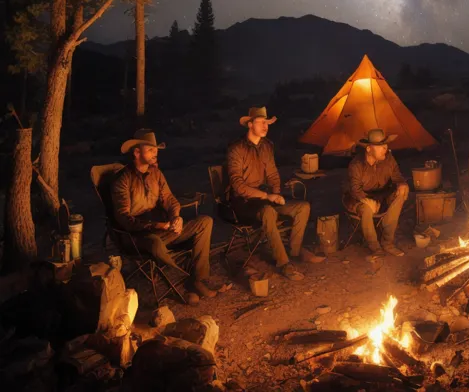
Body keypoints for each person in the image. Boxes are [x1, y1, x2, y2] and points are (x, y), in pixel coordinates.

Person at [111, 129, 217, 299]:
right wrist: (156, 225)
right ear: (137, 152)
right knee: (154, 243)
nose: (156, 153)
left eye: (156, 149)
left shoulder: (156, 174)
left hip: (164, 230)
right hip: (139, 237)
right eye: (150, 149)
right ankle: (182, 274)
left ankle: (198, 279)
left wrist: (176, 217)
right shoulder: (123, 180)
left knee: (205, 222)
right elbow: (124, 219)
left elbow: (170, 199)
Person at [227, 106, 322, 281]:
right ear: (250, 124)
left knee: (302, 207)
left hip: (266, 199)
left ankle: (294, 252)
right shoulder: (237, 149)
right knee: (269, 212)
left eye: (267, 123)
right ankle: (284, 263)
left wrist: (276, 193)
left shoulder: (266, 147)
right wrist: (267, 197)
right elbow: (238, 186)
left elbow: (272, 174)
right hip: (245, 203)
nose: (265, 126)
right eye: (261, 122)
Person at [343, 128, 410, 257]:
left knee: (402, 193)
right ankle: (374, 247)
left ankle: (387, 242)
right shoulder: (356, 165)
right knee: (367, 209)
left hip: (381, 196)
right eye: (380, 146)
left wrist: (402, 183)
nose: (385, 149)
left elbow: (397, 176)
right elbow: (354, 189)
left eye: (385, 146)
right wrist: (367, 201)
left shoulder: (388, 159)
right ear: (369, 149)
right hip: (356, 198)